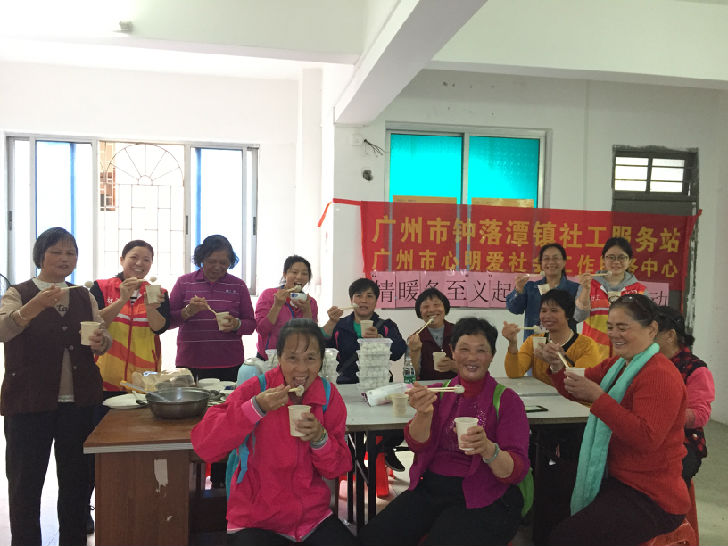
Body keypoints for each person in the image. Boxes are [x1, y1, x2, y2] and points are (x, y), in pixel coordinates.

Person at [359, 317, 530, 546]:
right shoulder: (438, 393)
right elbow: (416, 444)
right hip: (432, 487)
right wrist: (424, 414)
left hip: (486, 492)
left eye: (481, 350)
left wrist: (488, 449)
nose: (472, 357)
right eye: (464, 349)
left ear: (491, 355)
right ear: (453, 352)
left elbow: (516, 471)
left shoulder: (507, 401)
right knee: (373, 538)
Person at [191, 319, 357, 546]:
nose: (301, 369)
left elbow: (338, 468)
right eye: (292, 358)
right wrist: (255, 408)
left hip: (311, 519)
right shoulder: (256, 389)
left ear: (321, 360)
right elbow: (205, 445)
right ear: (278, 358)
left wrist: (321, 439)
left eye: (311, 358)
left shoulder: (328, 396)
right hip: (255, 520)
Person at [548, 294, 689, 546]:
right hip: (617, 476)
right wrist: (557, 367)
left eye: (623, 328)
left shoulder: (659, 375)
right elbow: (578, 385)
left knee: (566, 537)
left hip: (651, 494)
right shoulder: (619, 365)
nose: (614, 335)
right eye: (610, 327)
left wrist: (599, 399)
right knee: (548, 491)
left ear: (652, 330)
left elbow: (646, 438)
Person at [0, 227, 111, 546]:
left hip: (79, 404)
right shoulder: (18, 293)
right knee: (25, 483)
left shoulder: (83, 295)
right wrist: (33, 307)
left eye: (70, 253)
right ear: (40, 257)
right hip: (28, 403)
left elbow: (102, 334)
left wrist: (102, 341)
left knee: (77, 482)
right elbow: (3, 330)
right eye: (56, 252)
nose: (65, 258)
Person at [169, 234, 256, 488]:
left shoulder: (237, 286)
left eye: (224, 262)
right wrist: (188, 311)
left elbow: (251, 324)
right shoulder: (184, 283)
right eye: (212, 261)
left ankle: (220, 481)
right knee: (191, 421)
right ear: (201, 259)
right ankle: (189, 482)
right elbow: (168, 320)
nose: (218, 267)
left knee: (225, 422)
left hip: (228, 364)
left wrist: (236, 324)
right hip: (191, 363)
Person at [323, 277, 407, 470]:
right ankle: (356, 459)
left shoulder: (386, 325)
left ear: (376, 301)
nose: (363, 300)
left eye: (369, 296)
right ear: (351, 300)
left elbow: (399, 351)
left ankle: (382, 450)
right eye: (358, 295)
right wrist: (330, 323)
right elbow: (323, 349)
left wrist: (380, 339)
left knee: (396, 425)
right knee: (349, 429)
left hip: (379, 386)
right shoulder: (339, 325)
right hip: (347, 386)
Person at [90, 240, 170, 394]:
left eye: (146, 260)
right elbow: (95, 324)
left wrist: (150, 308)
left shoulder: (159, 293)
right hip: (105, 374)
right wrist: (122, 300)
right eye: (134, 257)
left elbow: (159, 328)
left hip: (144, 377)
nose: (139, 263)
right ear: (122, 260)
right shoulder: (101, 287)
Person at [655, 305, 714, 486]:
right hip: (651, 435)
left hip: (684, 440)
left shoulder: (695, 368)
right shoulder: (646, 362)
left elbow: (700, 414)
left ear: (670, 335)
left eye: (652, 332)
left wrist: (660, 418)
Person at [503, 289, 601, 386]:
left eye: (554, 311)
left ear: (568, 314)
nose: (547, 315)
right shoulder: (534, 341)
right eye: (543, 311)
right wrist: (512, 344)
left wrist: (557, 364)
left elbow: (583, 383)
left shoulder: (586, 345)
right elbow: (514, 373)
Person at [574, 237, 648, 361]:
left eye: (622, 257)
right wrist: (586, 290)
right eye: (611, 257)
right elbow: (579, 316)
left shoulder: (639, 291)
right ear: (603, 259)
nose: (616, 262)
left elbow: (644, 326)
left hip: (626, 358)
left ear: (630, 260)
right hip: (592, 355)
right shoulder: (589, 284)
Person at [506, 243, 579, 341]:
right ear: (541, 263)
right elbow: (514, 309)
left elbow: (579, 317)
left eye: (555, 258)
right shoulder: (531, 287)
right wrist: (519, 289)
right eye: (546, 259)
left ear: (564, 262)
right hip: (534, 344)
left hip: (564, 344)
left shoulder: (575, 289)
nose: (551, 262)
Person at [255, 255, 318, 359]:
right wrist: (277, 306)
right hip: (269, 358)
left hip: (298, 358)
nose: (299, 277)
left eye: (304, 273)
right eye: (294, 272)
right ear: (285, 274)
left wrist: (307, 311)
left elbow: (312, 337)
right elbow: (261, 330)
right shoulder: (269, 295)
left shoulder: (311, 302)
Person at [406, 287, 456, 381]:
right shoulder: (415, 339)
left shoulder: (459, 332)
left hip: (457, 387)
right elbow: (411, 378)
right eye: (426, 306)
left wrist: (454, 366)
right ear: (420, 312)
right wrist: (414, 352)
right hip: (427, 388)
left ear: (445, 308)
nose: (432, 310)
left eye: (436, 305)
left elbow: (474, 368)